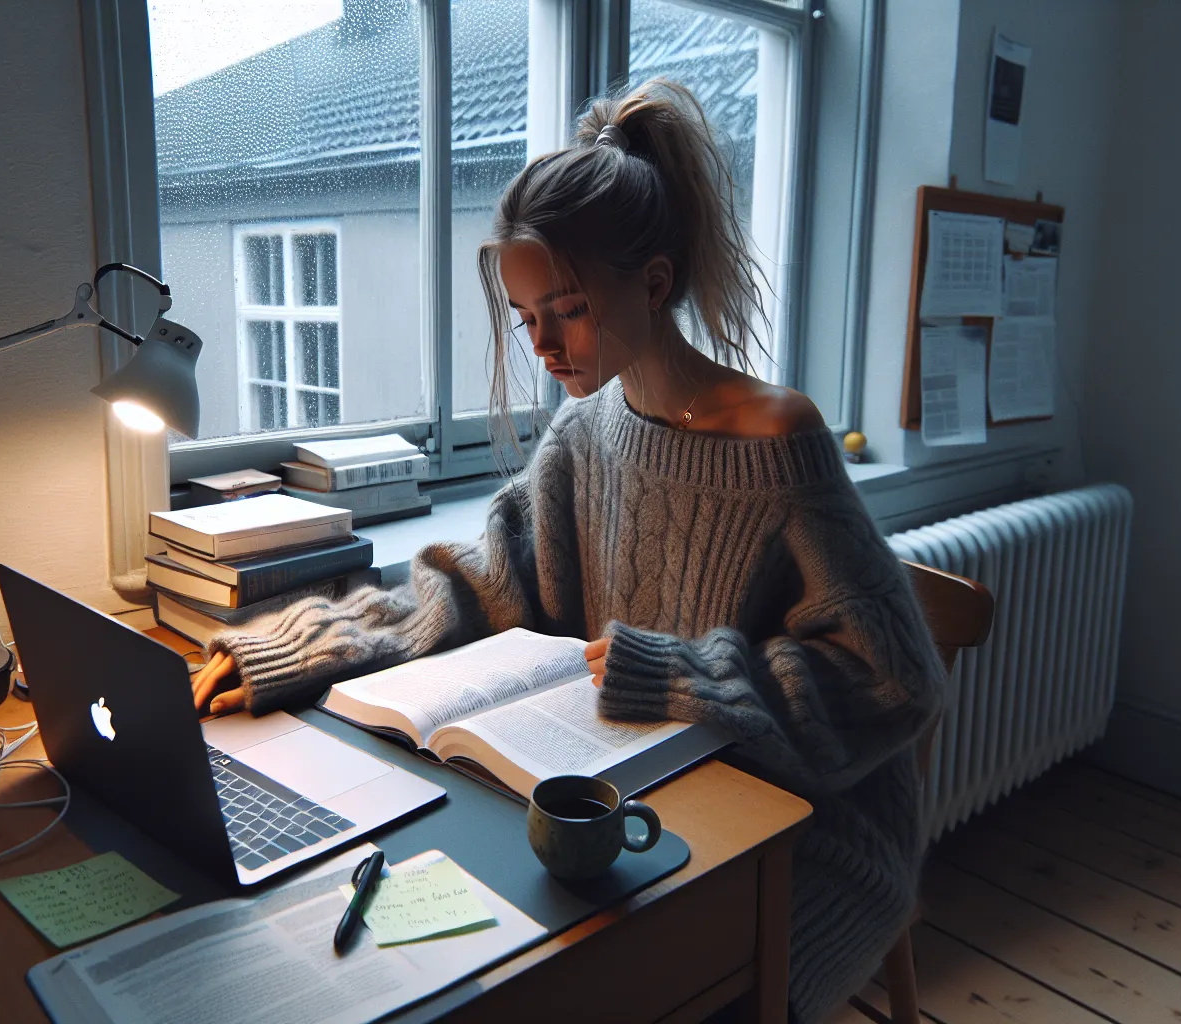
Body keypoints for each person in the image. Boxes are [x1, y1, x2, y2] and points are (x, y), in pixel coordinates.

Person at [189, 79, 944, 1021]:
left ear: (655, 284)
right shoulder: (588, 433)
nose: (542, 343)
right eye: (524, 315)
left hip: (808, 835)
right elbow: (478, 582)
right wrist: (301, 647)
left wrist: (691, 675)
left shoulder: (777, 441)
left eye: (569, 309)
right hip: (638, 801)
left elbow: (897, 677)